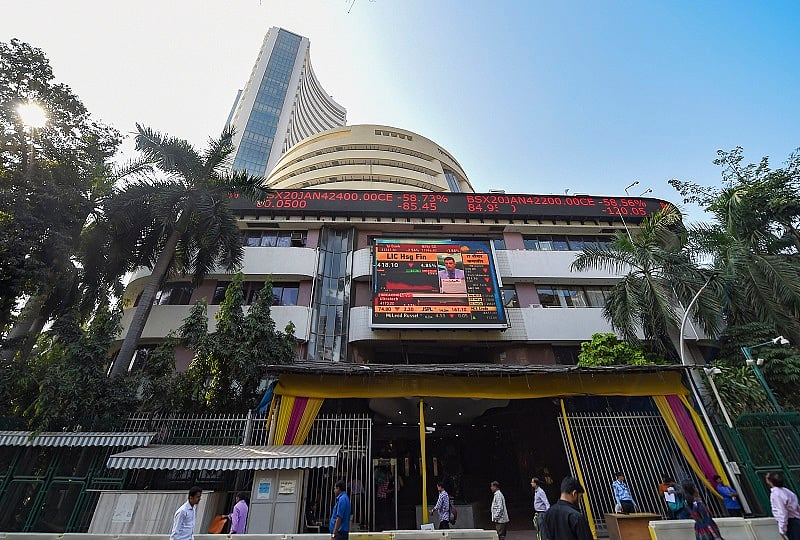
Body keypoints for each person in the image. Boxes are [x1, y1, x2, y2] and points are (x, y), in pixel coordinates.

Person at [766, 472, 800, 540]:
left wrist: (782, 528)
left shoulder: (776, 494)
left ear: (770, 481)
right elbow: (797, 507)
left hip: (791, 522)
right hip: (796, 519)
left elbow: (782, 512)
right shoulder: (787, 491)